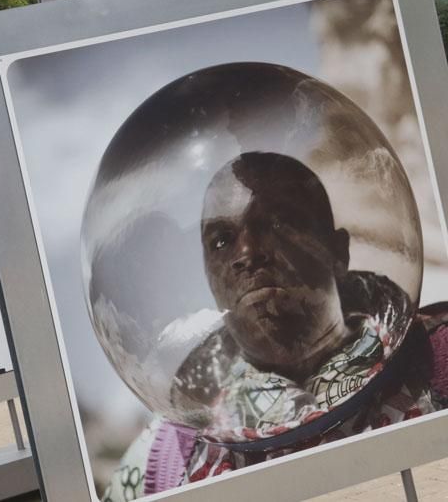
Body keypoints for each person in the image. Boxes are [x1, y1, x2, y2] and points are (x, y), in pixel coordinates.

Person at [102, 152, 448, 501]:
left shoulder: (436, 364)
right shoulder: (163, 462)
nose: (249, 252)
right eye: (222, 239)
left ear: (337, 251)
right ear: (208, 276)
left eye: (280, 222)